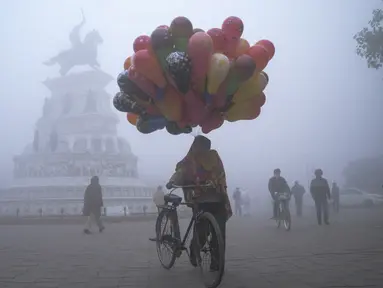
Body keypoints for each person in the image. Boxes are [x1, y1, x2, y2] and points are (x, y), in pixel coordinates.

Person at [166, 135, 232, 271]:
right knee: (205, 230)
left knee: (216, 232)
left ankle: (215, 262)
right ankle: (198, 254)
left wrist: (172, 182)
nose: (202, 149)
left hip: (215, 199)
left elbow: (181, 173)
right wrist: (173, 181)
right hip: (204, 200)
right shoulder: (192, 160)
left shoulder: (208, 157)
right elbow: (180, 173)